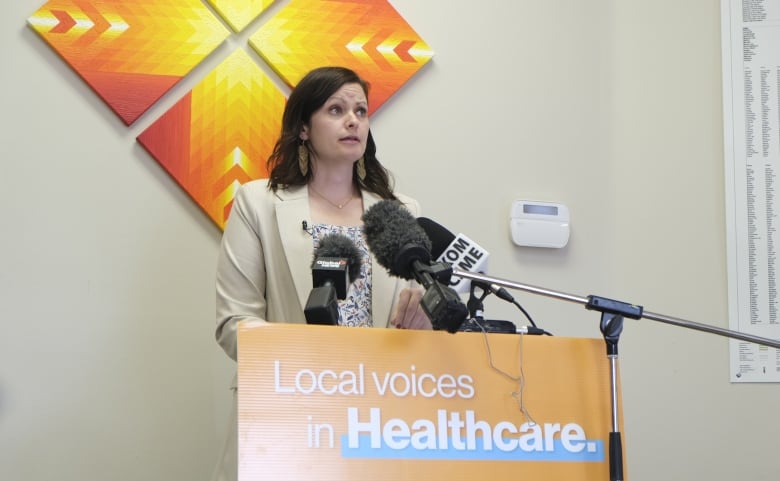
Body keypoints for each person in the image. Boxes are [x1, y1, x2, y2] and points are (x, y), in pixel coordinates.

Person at [211, 66, 430, 481]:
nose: (353, 121)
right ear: (305, 129)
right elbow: (232, 323)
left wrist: (426, 323)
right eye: (336, 109)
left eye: (361, 111)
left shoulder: (401, 212)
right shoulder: (257, 202)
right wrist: (320, 369)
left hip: (381, 419)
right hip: (288, 410)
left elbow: (416, 326)